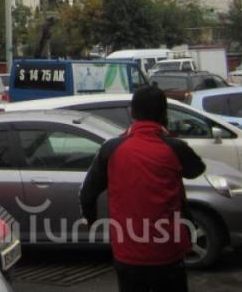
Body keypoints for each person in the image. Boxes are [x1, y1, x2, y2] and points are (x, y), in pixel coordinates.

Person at [80, 85, 205, 292]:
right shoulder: (174, 147)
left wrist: (91, 219)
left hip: (128, 252)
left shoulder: (112, 149)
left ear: (133, 112)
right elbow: (196, 170)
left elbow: (88, 194)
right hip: (168, 251)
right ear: (164, 114)